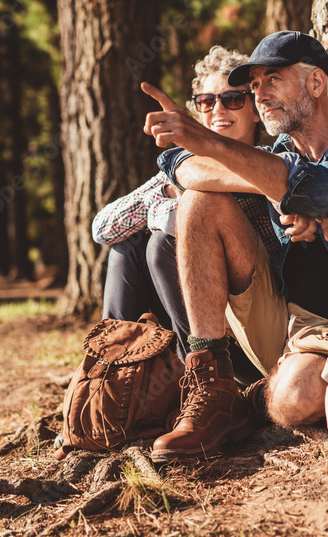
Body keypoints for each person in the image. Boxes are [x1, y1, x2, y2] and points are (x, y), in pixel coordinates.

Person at [141, 30, 328, 461]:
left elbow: (327, 186)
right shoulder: (280, 156)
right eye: (254, 86)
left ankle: (250, 401)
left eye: (272, 79)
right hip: (282, 322)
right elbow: (182, 167)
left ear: (315, 83)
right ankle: (211, 390)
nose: (260, 95)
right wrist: (276, 190)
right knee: (199, 203)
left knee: (294, 397)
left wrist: (289, 188)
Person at [92, 45, 278, 380]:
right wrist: (167, 192)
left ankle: (207, 381)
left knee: (162, 244)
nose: (218, 109)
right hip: (188, 313)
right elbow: (103, 228)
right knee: (127, 248)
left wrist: (182, 198)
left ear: (255, 109)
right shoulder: (179, 166)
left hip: (252, 318)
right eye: (206, 101)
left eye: (232, 99)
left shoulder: (268, 160)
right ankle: (109, 380)